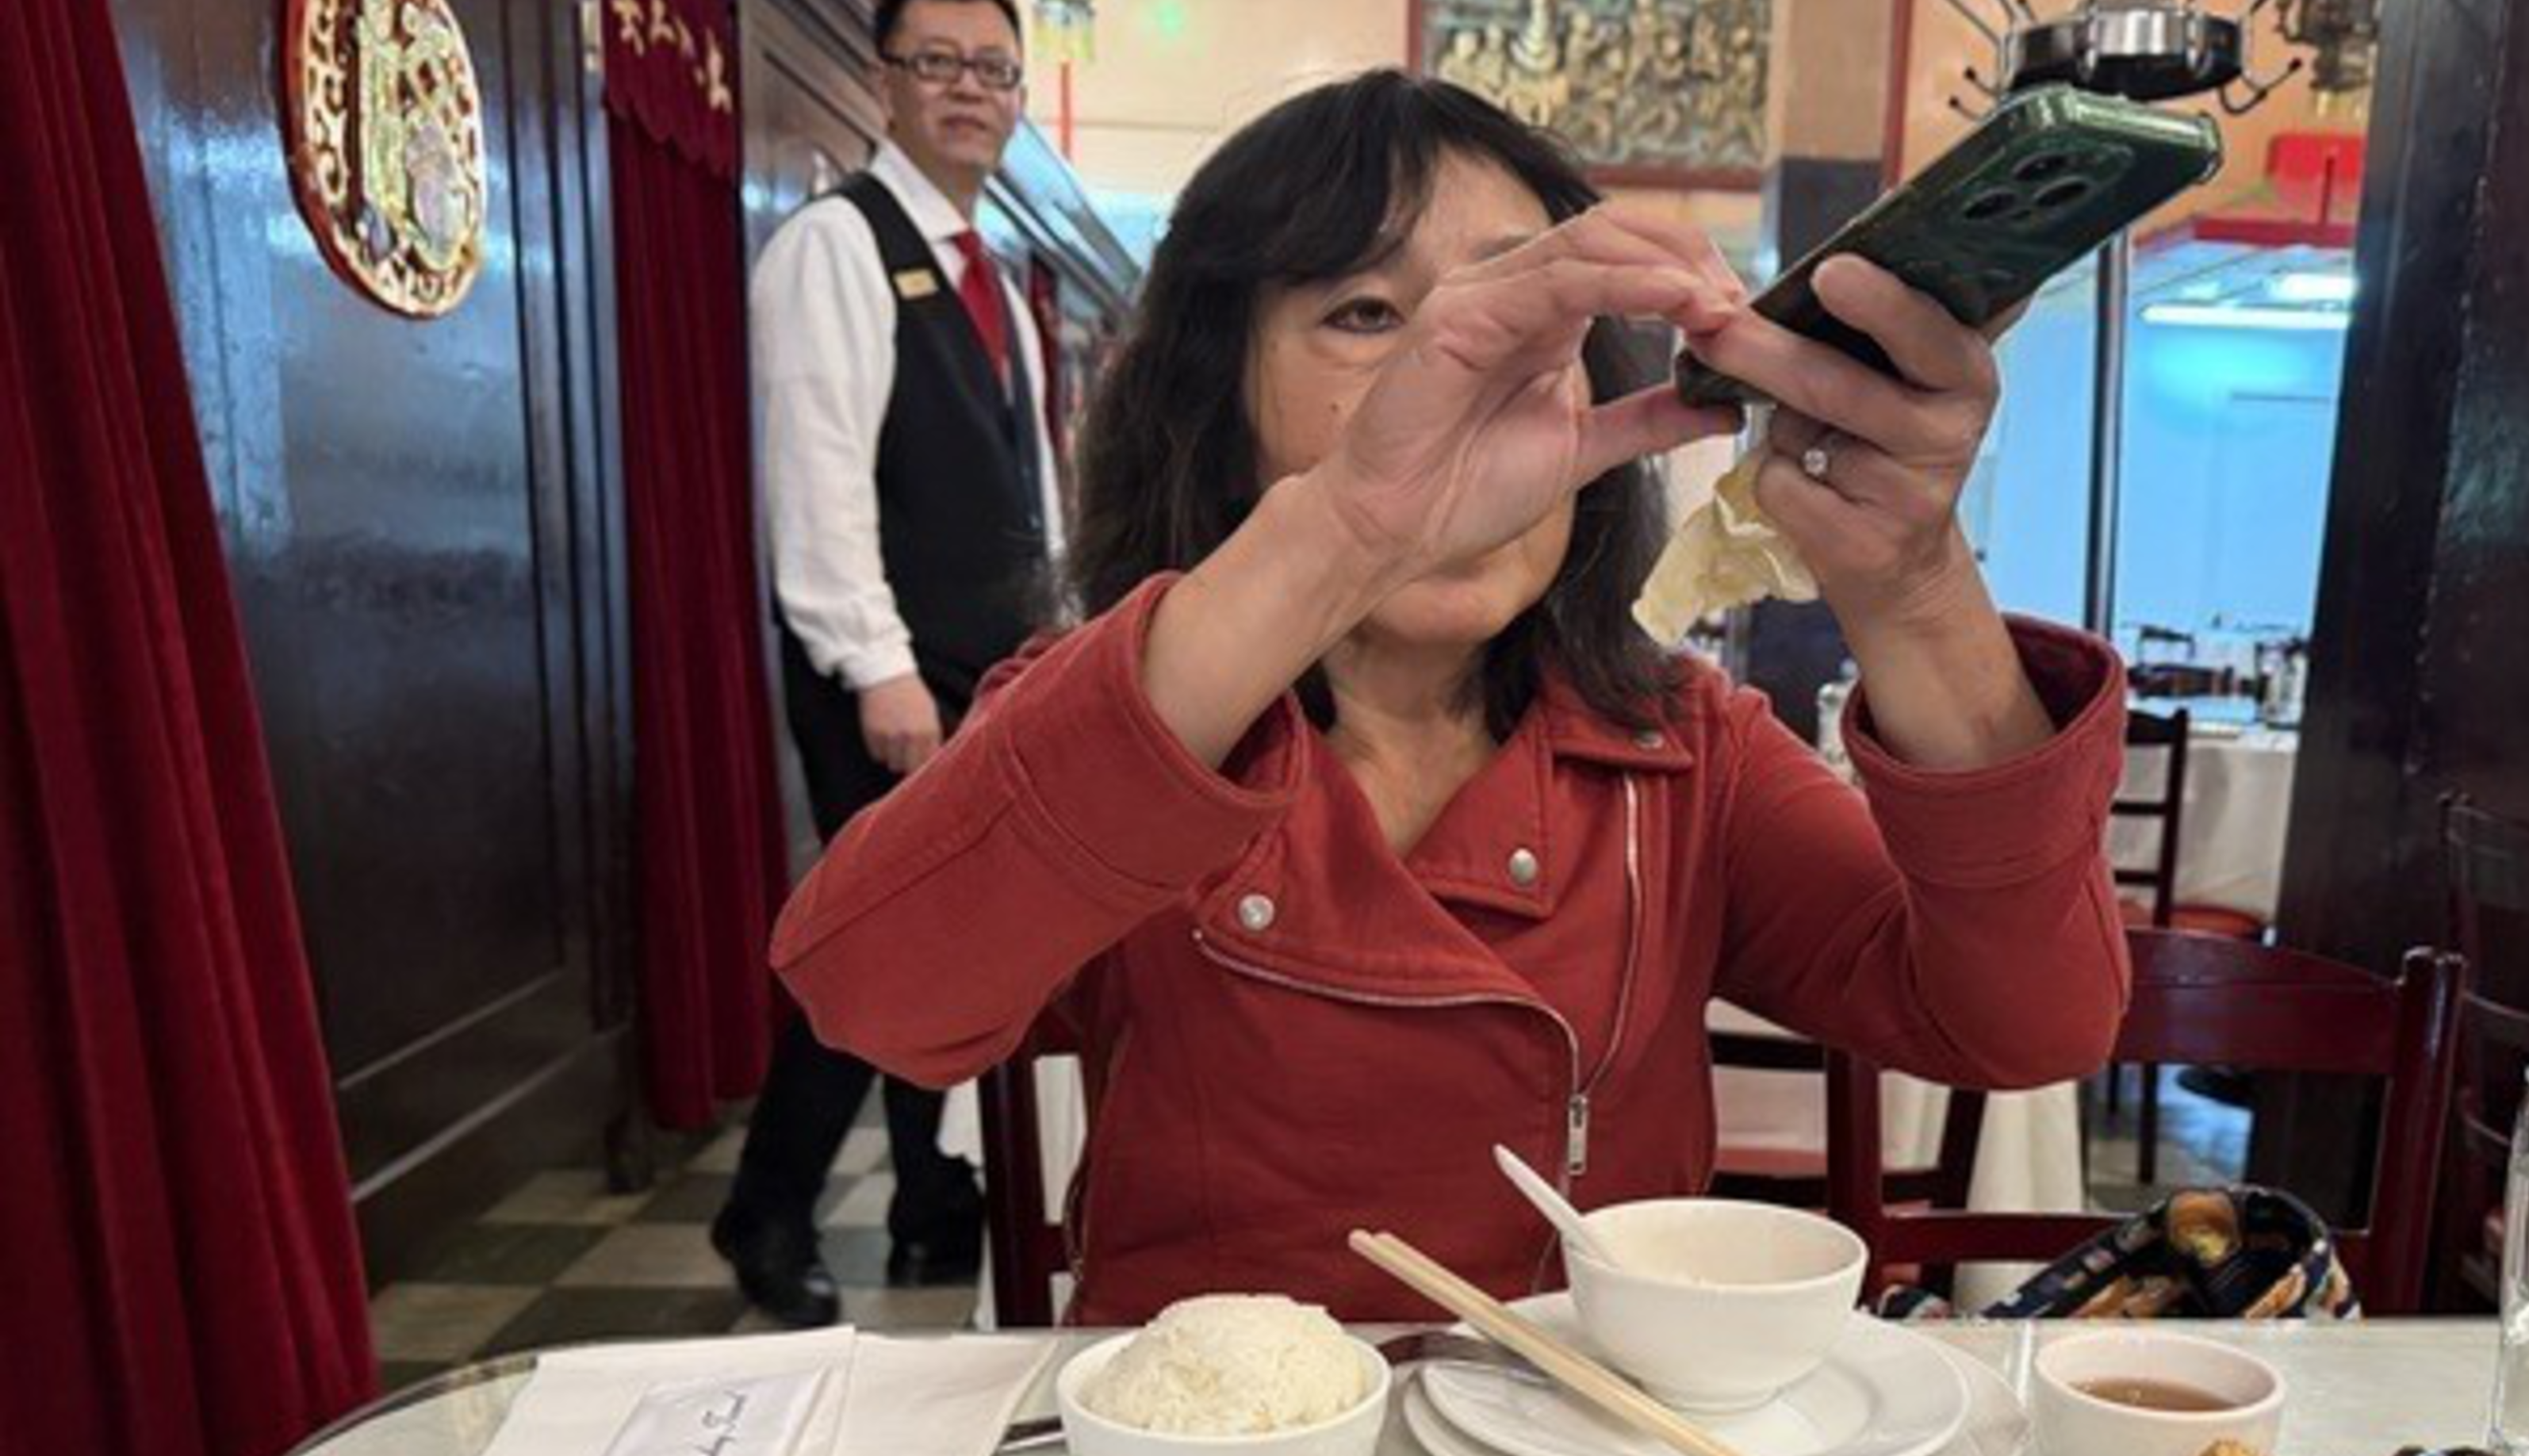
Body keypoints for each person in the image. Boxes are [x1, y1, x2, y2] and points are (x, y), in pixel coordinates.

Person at [770, 71, 2129, 1324]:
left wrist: (1908, 577)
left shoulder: (1685, 753)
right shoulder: (1136, 716)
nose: (1457, 374)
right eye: (1366, 314)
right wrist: (1348, 530)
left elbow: (2026, 1020)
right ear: (1215, 395)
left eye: (1513, 313)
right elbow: (872, 996)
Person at [714, 0, 1063, 1327]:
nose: (969, 89)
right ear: (886, 79)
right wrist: (876, 665)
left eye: (994, 68)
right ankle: (767, 1206)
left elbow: (1021, 489)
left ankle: (933, 1200)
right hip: (891, 675)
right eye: (939, 64)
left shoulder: (996, 280)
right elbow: (816, 476)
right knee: (888, 949)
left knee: (962, 944)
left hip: (988, 668)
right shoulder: (833, 248)